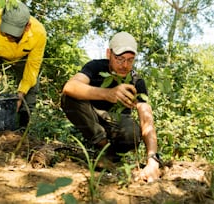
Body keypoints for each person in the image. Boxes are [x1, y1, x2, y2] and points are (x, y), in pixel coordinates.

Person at [61, 31, 161, 182]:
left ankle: (110, 155)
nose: (125, 65)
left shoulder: (136, 81)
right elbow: (70, 87)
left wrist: (153, 159)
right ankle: (102, 146)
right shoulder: (95, 67)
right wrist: (107, 94)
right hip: (91, 119)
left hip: (116, 126)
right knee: (69, 97)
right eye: (119, 59)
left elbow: (147, 118)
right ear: (109, 53)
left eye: (130, 60)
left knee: (132, 132)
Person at [0, 1, 47, 128]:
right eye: (6, 30)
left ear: (27, 26)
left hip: (21, 58)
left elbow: (32, 69)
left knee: (32, 87)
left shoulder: (39, 33)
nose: (8, 36)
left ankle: (23, 128)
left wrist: (20, 94)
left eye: (13, 32)